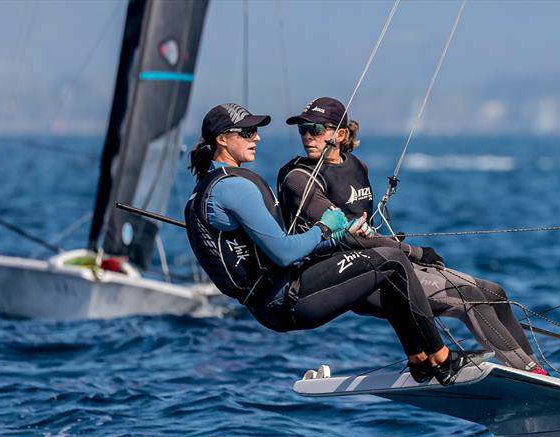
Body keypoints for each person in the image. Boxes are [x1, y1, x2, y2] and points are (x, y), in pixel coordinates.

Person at [184, 102, 473, 385]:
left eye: (255, 131)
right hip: (285, 300)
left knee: (384, 264)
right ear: (222, 139)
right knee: (393, 261)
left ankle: (419, 361)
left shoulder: (210, 187)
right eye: (247, 133)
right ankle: (443, 359)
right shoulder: (234, 188)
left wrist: (335, 239)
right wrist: (325, 228)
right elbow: (285, 254)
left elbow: (278, 247)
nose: (257, 137)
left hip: (273, 300)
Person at [277, 97, 546, 375]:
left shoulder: (357, 166)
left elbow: (366, 229)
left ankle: (532, 369)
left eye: (316, 129)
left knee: (493, 292)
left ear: (341, 134)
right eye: (302, 129)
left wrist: (398, 248)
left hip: (384, 260)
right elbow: (348, 235)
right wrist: (413, 252)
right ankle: (532, 376)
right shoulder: (300, 179)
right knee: (469, 298)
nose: (307, 136)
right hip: (352, 277)